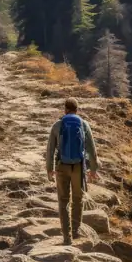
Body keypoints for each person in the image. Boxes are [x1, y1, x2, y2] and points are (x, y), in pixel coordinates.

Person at [46, 96, 99, 245]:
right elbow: (92, 150)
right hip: (78, 167)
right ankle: (76, 231)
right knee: (77, 199)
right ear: (77, 110)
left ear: (65, 109)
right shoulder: (84, 124)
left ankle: (66, 237)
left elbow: (50, 149)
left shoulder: (57, 125)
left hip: (62, 166)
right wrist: (93, 169)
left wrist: (49, 169)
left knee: (63, 201)